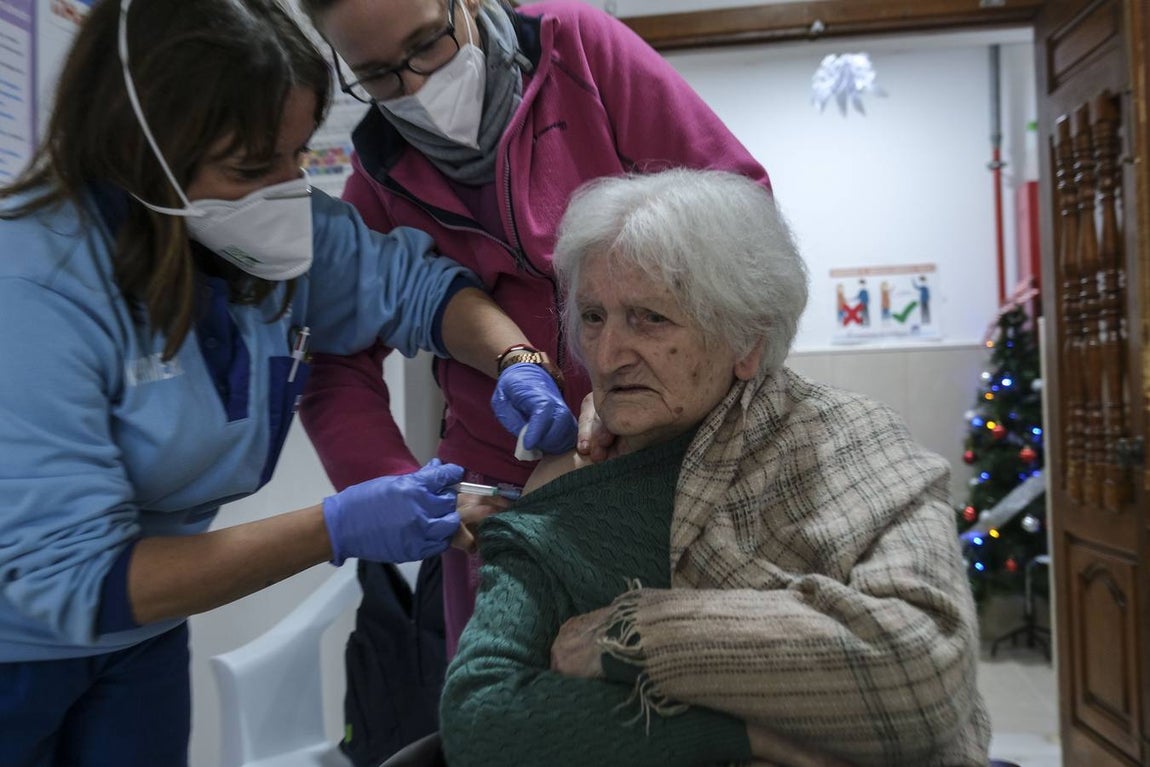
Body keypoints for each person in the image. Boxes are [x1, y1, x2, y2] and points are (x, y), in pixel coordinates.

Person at [0, 0, 574, 764]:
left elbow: (417, 289)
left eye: (298, 154)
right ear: (144, 154)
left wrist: (517, 361)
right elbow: (80, 581)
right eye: (250, 167)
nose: (287, 192)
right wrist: (333, 527)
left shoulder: (254, 238)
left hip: (143, 637)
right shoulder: (34, 286)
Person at [293, 0, 771, 760]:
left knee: (685, 705)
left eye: (428, 43)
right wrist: (408, 496)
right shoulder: (379, 176)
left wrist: (633, 402)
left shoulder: (579, 52)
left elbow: (739, 218)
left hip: (664, 457)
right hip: (502, 500)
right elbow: (336, 364)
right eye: (380, 74)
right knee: (515, 721)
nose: (417, 84)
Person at [441, 169, 991, 766]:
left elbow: (925, 667)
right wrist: (743, 738)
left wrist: (641, 636)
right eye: (594, 317)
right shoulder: (568, 493)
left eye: (650, 318)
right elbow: (481, 717)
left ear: (748, 341)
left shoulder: (848, 438)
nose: (606, 355)